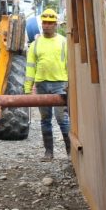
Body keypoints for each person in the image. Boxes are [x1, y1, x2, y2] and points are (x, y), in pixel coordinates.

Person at [24, 8, 70, 162]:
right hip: (42, 84)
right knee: (45, 120)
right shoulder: (35, 44)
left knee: (62, 119)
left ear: (56, 24)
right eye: (45, 22)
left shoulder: (63, 42)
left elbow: (69, 65)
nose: (47, 25)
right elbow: (30, 67)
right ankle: (48, 152)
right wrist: (27, 88)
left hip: (60, 84)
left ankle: (70, 152)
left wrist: (70, 84)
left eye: (50, 23)